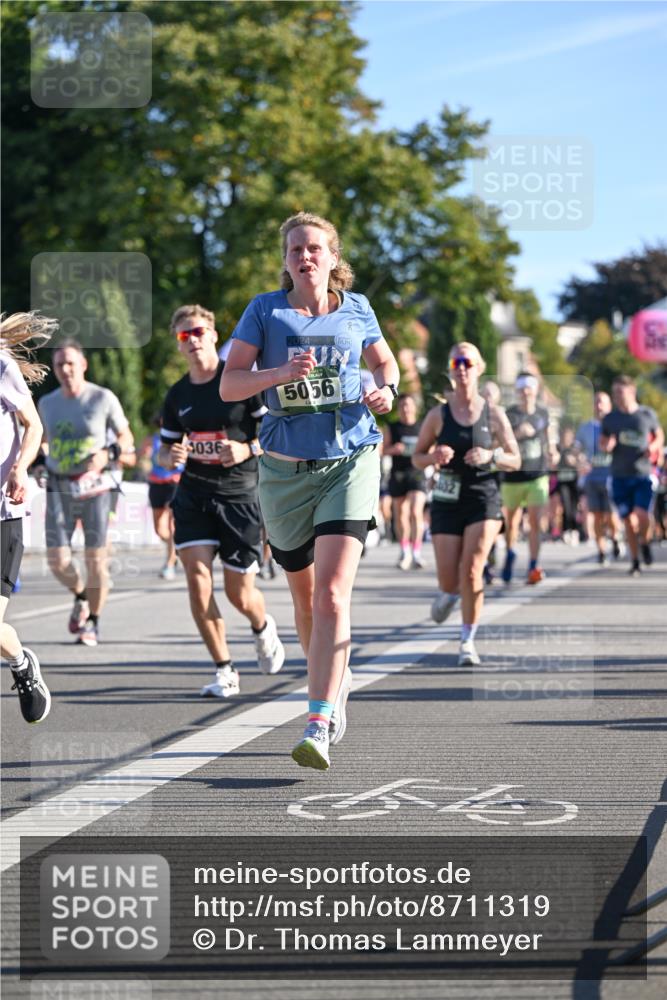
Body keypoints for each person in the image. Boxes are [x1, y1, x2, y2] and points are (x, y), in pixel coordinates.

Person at [221, 211, 400, 770]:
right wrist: (278, 375)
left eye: (315, 248)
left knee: (330, 595)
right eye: (296, 248)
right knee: (303, 600)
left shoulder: (358, 308)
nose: (305, 257)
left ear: (332, 256)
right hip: (282, 472)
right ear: (286, 259)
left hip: (349, 459)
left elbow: (384, 363)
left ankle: (318, 718)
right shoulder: (263, 311)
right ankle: (334, 677)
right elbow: (230, 383)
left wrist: (386, 391)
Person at [159, 304, 285, 696]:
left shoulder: (241, 383)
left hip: (240, 498)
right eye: (184, 336)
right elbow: (165, 450)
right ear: (179, 345)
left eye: (198, 332)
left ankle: (263, 627)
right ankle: (224, 669)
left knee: (238, 593)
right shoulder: (177, 395)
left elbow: (274, 434)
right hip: (193, 495)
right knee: (197, 585)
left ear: (213, 334)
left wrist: (246, 449)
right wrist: (172, 457)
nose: (193, 340)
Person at [412, 343, 520, 666]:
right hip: (446, 498)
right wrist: (433, 456)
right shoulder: (438, 415)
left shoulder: (494, 414)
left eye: (467, 362)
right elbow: (416, 458)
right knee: (449, 578)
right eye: (455, 362)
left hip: (482, 496)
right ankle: (448, 594)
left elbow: (516, 458)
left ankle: (467, 640)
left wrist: (492, 456)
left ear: (479, 367)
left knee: (472, 569)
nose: (461, 368)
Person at [37, 339, 136, 646]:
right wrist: (40, 462)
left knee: (96, 560)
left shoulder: (102, 398)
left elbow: (127, 440)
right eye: (59, 365)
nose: (65, 369)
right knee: (57, 560)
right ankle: (81, 596)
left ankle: (93, 621)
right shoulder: (47, 403)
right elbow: (42, 441)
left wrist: (108, 454)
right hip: (59, 484)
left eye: (70, 363)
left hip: (98, 487)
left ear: (83, 365)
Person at [1, 312, 55, 723]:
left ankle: (21, 665)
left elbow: (33, 426)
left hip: (3, 511)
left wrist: (20, 468)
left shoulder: (1, 365)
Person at [600, 375, 664, 576]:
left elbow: (659, 435)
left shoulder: (646, 414)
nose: (617, 396)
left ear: (631, 391)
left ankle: (644, 542)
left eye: (620, 392)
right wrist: (606, 446)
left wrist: (653, 446)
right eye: (614, 392)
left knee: (643, 516)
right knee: (628, 520)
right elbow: (603, 442)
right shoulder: (610, 418)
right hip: (619, 475)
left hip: (642, 474)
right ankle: (635, 561)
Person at [501, 372, 558, 585]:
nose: (525, 392)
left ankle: (533, 564)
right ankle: (509, 553)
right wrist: (518, 433)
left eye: (529, 388)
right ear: (517, 392)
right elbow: (501, 439)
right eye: (521, 388)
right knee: (512, 521)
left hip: (537, 474)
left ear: (535, 390)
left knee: (535, 521)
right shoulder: (510, 414)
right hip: (513, 476)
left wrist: (553, 451)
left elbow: (549, 438)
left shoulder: (543, 413)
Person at [576, 392, 622, 564]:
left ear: (609, 405)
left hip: (611, 477)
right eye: (596, 402)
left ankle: (616, 537)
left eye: (602, 402)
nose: (599, 406)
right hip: (592, 478)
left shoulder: (616, 425)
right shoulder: (586, 427)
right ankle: (601, 550)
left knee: (611, 515)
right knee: (595, 515)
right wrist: (579, 459)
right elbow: (577, 449)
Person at [383, 393, 427, 570]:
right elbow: (382, 451)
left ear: (415, 407)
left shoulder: (422, 427)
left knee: (416, 511)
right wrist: (393, 449)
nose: (405, 409)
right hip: (398, 473)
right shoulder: (392, 428)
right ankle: (404, 550)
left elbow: (430, 448)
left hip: (417, 472)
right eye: (402, 406)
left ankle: (416, 552)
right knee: (400, 513)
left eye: (408, 405)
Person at [140, 418, 183, 580]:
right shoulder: (152, 439)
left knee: (172, 526)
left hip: (175, 482)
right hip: (156, 484)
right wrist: (144, 457)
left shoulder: (182, 438)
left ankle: (169, 564)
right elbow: (142, 458)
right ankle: (175, 547)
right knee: (159, 530)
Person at [555, 423, 585, 545]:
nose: (566, 438)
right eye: (564, 436)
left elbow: (582, 462)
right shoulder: (558, 448)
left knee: (574, 508)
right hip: (562, 482)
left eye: (569, 436)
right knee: (566, 506)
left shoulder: (575, 448)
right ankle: (566, 530)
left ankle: (575, 531)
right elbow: (552, 463)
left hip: (573, 482)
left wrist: (575, 462)